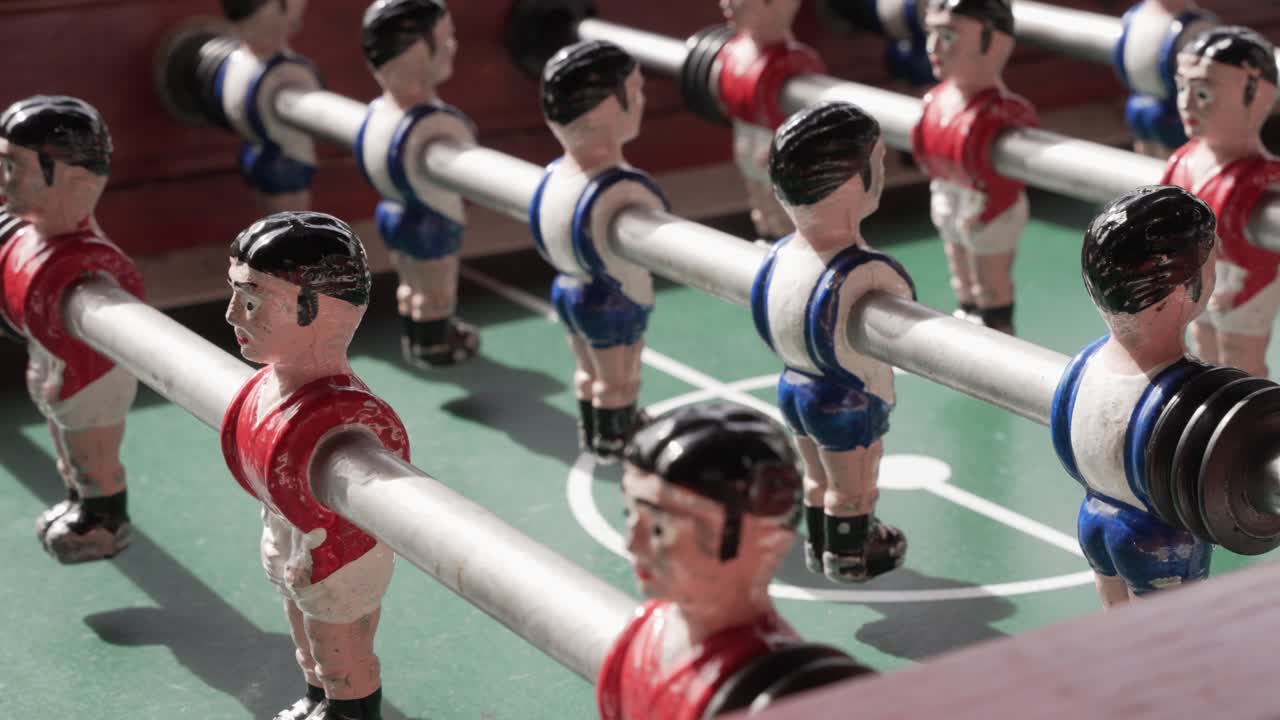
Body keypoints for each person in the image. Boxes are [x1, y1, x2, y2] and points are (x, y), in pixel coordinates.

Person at [221, 212, 408, 719]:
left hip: (335, 558)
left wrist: (320, 552)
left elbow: (359, 514)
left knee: (339, 649)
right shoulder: (266, 389)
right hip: (293, 541)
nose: (233, 315)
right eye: (236, 295)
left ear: (318, 314)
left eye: (252, 300)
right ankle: (318, 699)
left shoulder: (346, 419)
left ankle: (351, 710)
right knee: (307, 642)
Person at [598, 401, 870, 720]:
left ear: (764, 541)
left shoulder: (783, 689)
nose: (632, 544)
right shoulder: (642, 635)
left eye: (659, 528)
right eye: (631, 515)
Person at [751, 101, 913, 582]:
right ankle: (850, 551)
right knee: (855, 485)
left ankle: (820, 540)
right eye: (877, 163)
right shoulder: (865, 270)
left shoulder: (779, 256)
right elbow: (903, 305)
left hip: (793, 385)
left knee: (817, 476)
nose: (881, 173)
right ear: (852, 181)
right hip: (845, 399)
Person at [1050, 184, 1216, 608]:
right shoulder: (1189, 388)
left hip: (1095, 519)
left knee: (1117, 624)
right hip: (1159, 541)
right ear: (1180, 291)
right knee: (1167, 642)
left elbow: (1065, 442)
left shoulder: (1083, 366)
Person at [0, 95, 143, 563]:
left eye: (14, 168)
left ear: (77, 183)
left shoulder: (90, 265)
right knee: (67, 448)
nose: (5, 183)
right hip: (55, 359)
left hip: (90, 373)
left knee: (91, 452)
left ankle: (105, 520)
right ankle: (80, 505)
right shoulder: (32, 239)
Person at [533, 40, 668, 461]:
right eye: (636, 90)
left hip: (568, 287)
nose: (642, 101)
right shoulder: (623, 188)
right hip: (612, 297)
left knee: (588, 371)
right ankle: (615, 433)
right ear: (608, 106)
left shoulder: (555, 176)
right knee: (620, 376)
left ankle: (594, 427)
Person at [357, 0, 480, 367]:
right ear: (412, 53)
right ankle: (434, 340)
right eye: (444, 39)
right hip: (430, 218)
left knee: (411, 283)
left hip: (392, 211)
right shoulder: (435, 123)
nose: (452, 47)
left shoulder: (379, 113)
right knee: (437, 288)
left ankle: (416, 331)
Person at [911, 0, 1037, 334]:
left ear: (992, 42)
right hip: (950, 194)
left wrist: (987, 209)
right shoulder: (935, 101)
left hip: (987, 207)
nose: (933, 48)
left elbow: (1006, 183)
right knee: (961, 278)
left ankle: (998, 337)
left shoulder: (1001, 112)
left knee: (989, 285)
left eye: (948, 37)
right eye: (931, 34)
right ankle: (967, 323)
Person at [1162, 26, 1280, 378]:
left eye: (1202, 92)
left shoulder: (1263, 178)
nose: (1185, 103)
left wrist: (1241, 288)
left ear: (1255, 94)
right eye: (1182, 88)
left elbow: (1264, 257)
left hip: (1240, 285)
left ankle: (1258, 428)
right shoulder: (1182, 161)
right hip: (1197, 280)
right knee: (1202, 351)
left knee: (1240, 359)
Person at [717, 0, 826, 242]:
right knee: (762, 214)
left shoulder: (796, 63)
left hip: (777, 160)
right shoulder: (733, 53)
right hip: (749, 153)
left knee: (784, 218)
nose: (725, 3)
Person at [216, 0, 319, 213]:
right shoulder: (259, 67)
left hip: (270, 152)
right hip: (280, 157)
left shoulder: (241, 65)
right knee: (288, 217)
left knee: (288, 215)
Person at [1113, 0, 1218, 158]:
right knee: (1144, 155)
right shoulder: (1135, 17)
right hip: (1140, 105)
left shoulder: (1196, 27)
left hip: (1178, 115)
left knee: (1177, 161)